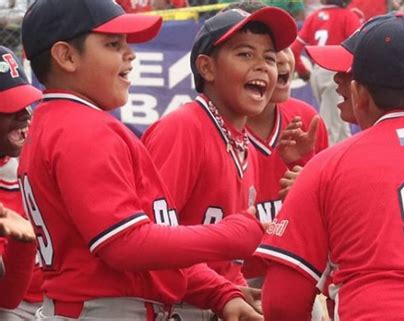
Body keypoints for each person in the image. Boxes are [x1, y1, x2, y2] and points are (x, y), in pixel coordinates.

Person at [18, 0, 267, 320]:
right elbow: (125, 245)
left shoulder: (59, 122)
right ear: (67, 56)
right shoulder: (84, 129)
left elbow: (149, 239)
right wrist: (230, 235)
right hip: (104, 309)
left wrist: (219, 293)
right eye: (112, 44)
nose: (130, 54)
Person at [256, 12, 404, 321]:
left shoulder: (330, 165)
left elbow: (281, 303)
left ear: (359, 93)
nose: (337, 82)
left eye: (345, 76)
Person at [142, 6, 297, 320]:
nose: (262, 66)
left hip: (210, 303)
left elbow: (227, 258)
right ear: (207, 68)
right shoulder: (183, 129)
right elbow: (152, 244)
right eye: (244, 54)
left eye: (269, 57)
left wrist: (236, 287)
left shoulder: (242, 143)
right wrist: (222, 291)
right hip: (168, 307)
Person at [0, 45, 42, 319]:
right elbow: (7, 300)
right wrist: (24, 244)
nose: (26, 114)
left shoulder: (37, 157)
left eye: (25, 103)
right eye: (9, 106)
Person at [291, 0, 361, 145]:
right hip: (337, 72)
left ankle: (345, 156)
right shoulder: (348, 16)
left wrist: (303, 71)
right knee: (332, 125)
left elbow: (294, 49)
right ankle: (326, 162)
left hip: (318, 70)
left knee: (341, 125)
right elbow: (360, 47)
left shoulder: (314, 16)